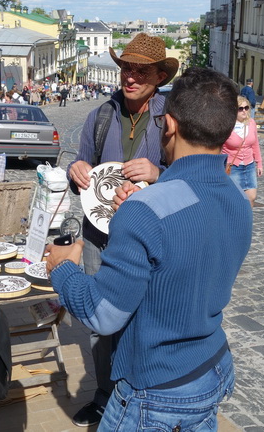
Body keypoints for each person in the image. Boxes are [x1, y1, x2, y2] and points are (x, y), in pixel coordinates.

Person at [46, 69, 250, 431]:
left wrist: (63, 268)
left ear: (168, 125)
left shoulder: (147, 210)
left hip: (157, 389)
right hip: (212, 366)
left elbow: (102, 315)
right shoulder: (237, 196)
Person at [64, 32, 177, 427]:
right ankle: (105, 395)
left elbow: (191, 176)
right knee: (99, 321)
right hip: (99, 238)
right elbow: (82, 165)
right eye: (126, 68)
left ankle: (143, 397)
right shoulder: (101, 116)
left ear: (160, 75)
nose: (130, 77)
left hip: (150, 237)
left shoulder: (172, 118)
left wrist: (159, 173)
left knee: (146, 316)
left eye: (141, 70)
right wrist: (74, 171)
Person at [223, 95, 263, 206]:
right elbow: (219, 147)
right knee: (235, 200)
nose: (244, 111)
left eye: (246, 108)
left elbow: (255, 144)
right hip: (233, 166)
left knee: (252, 197)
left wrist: (259, 163)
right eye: (240, 108)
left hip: (249, 165)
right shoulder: (227, 126)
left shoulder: (251, 123)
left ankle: (247, 222)